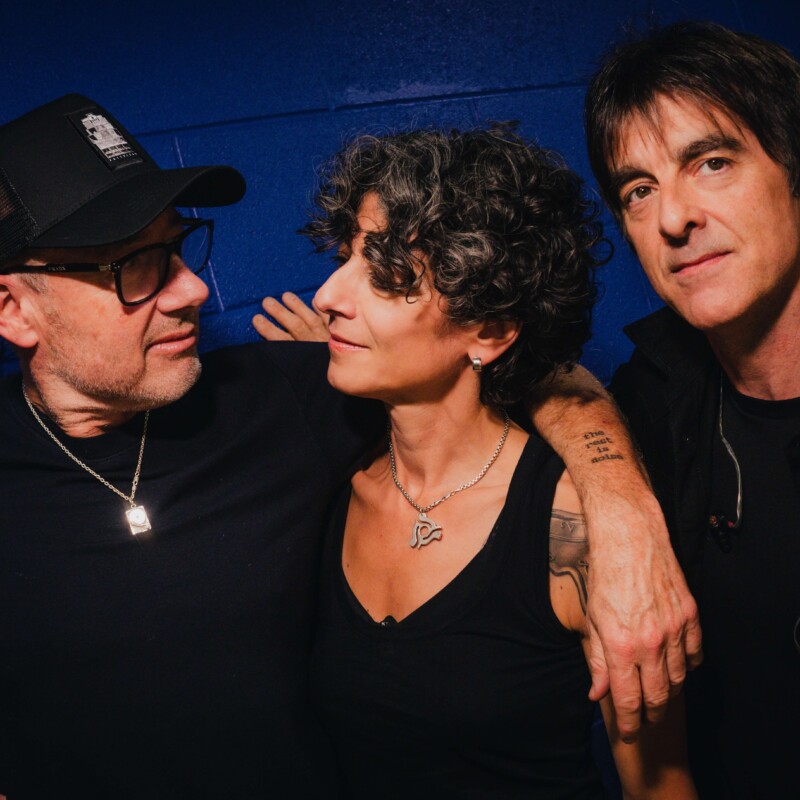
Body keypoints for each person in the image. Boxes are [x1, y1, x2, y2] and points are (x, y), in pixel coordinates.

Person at [0, 94, 693, 798]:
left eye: (178, 249)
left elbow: (538, 361)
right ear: (14, 310)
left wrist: (623, 512)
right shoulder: (342, 423)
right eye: (132, 265)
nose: (194, 291)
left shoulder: (287, 396)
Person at [291, 125, 695, 797]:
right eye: (346, 258)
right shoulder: (332, 488)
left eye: (387, 274)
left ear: (491, 330)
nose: (328, 296)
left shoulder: (573, 527)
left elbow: (660, 788)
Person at [583, 21, 800, 798]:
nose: (673, 218)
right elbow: (553, 386)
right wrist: (619, 512)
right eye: (639, 191)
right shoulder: (656, 396)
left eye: (711, 162)